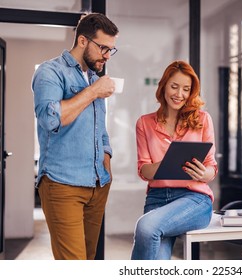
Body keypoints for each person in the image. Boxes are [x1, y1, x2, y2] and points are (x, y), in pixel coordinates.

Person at [32, 13, 119, 260]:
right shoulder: (50, 72)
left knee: (88, 260)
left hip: (97, 184)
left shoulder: (93, 77)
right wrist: (93, 91)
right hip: (62, 184)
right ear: (82, 40)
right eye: (103, 48)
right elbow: (50, 119)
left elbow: (99, 128)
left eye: (111, 50)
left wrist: (106, 156)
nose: (107, 56)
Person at [131, 60, 218, 260]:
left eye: (186, 89)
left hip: (194, 199)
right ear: (164, 86)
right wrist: (165, 165)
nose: (179, 94)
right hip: (157, 198)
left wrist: (204, 174)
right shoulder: (145, 123)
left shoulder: (203, 120)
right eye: (174, 86)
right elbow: (143, 170)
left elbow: (211, 166)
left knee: (146, 227)